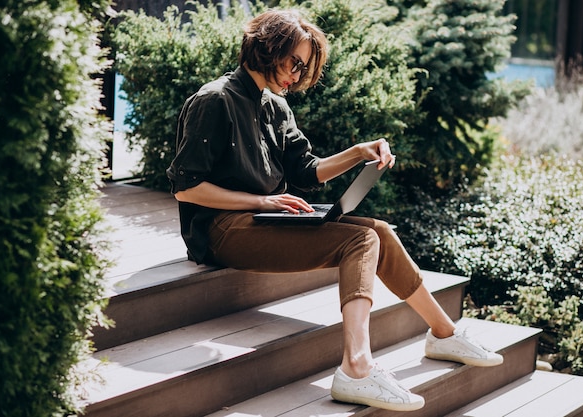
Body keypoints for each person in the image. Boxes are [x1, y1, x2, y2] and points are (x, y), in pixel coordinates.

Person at [166, 8, 503, 412]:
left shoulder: (274, 106)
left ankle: (444, 332)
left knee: (377, 230)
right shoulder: (214, 100)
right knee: (359, 240)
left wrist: (360, 153)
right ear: (267, 47)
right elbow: (187, 189)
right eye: (294, 62)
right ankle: (356, 366)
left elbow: (308, 171)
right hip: (221, 229)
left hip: (265, 219)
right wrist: (261, 201)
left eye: (304, 67)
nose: (297, 74)